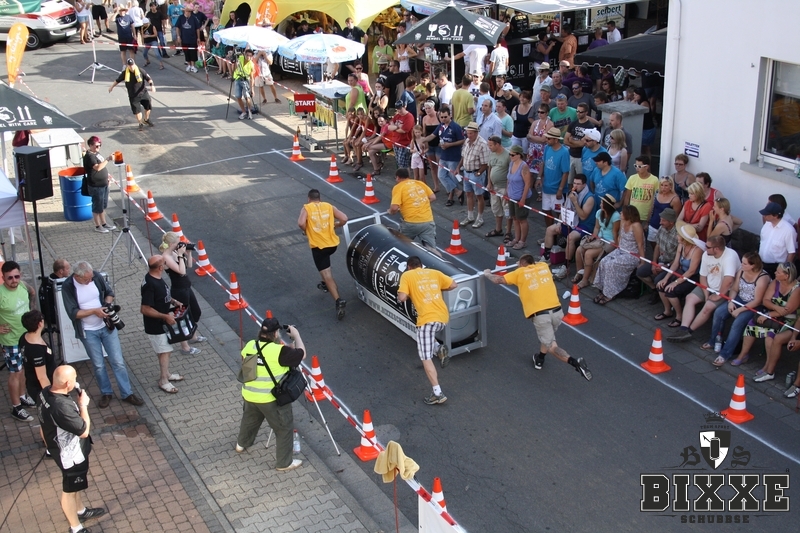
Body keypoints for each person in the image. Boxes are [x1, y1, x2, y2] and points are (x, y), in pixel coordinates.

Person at [484, 254, 592, 380]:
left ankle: (574, 362)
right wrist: (524, 263)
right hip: (557, 312)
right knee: (548, 338)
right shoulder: (544, 266)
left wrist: (487, 273)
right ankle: (540, 359)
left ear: (522, 264)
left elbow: (498, 280)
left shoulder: (519, 273)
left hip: (541, 316)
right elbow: (533, 262)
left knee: (552, 346)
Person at [61, 261, 144, 408]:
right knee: (98, 365)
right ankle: (106, 393)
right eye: (87, 279)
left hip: (106, 326)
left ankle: (127, 393)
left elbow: (109, 293)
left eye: (91, 278)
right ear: (77, 276)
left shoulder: (96, 276)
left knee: (118, 361)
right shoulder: (68, 286)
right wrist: (94, 311)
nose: (90, 280)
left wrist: (106, 304)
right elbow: (73, 313)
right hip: (87, 331)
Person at [40, 365, 106, 533]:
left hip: (62, 450)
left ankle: (80, 510)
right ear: (67, 383)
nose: (76, 382)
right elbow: (84, 431)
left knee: (76, 486)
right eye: (74, 379)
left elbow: (42, 424)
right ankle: (76, 527)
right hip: (70, 455)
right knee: (69, 490)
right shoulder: (61, 407)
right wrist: (83, 406)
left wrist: (49, 446)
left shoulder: (45, 392)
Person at [235, 317, 305, 471]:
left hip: (249, 394)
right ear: (275, 333)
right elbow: (301, 354)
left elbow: (262, 357)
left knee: (250, 420)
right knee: (284, 428)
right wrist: (297, 336)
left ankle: (241, 444)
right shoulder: (279, 351)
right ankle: (284, 463)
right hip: (270, 399)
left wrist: (288, 348)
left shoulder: (250, 345)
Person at [397, 256, 457, 405]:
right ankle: (438, 348)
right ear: (421, 265)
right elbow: (453, 285)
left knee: (425, 357)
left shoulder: (407, 275)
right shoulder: (434, 272)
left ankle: (437, 393)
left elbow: (402, 297)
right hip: (442, 318)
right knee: (427, 336)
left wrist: (403, 295)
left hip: (426, 320)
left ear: (409, 267)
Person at [665, 235, 741, 342]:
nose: (705, 248)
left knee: (707, 307)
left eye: (708, 247)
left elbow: (728, 281)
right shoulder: (706, 254)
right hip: (709, 285)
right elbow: (703, 276)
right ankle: (683, 328)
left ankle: (689, 331)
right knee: (690, 298)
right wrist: (706, 294)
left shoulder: (730, 257)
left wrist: (718, 296)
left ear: (716, 249)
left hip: (725, 289)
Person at [731, 262, 800, 371]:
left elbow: (788, 311)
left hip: (788, 320)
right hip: (772, 314)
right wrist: (776, 308)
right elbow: (765, 300)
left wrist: (769, 314)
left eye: (778, 272)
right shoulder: (775, 282)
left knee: (770, 336)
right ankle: (743, 355)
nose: (775, 273)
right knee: (751, 325)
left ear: (786, 276)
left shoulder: (797, 289)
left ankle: (768, 365)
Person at [709, 252, 770, 366]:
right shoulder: (741, 271)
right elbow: (734, 289)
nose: (741, 265)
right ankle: (713, 341)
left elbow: (757, 301)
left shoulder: (762, 278)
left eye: (744, 263)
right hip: (739, 299)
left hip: (753, 305)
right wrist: (730, 301)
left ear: (753, 265)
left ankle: (724, 354)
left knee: (737, 323)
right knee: (719, 313)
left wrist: (739, 310)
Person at [298, 190, 348, 320]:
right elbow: (344, 218)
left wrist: (306, 230)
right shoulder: (329, 206)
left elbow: (301, 223)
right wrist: (336, 225)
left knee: (327, 274)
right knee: (323, 266)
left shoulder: (306, 208)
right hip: (332, 245)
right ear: (319, 198)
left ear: (308, 198)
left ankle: (338, 300)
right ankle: (325, 284)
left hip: (319, 247)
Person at [140, 255, 183, 394]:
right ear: (160, 267)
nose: (166, 265)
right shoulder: (150, 284)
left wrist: (173, 301)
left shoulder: (156, 278)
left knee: (165, 350)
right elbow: (145, 309)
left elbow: (162, 295)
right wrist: (165, 316)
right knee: (165, 351)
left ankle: (167, 374)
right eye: (164, 263)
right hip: (155, 326)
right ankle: (163, 380)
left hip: (162, 323)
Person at [1, 261, 37, 422]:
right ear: (3, 278)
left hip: (25, 337)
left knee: (22, 369)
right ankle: (16, 407)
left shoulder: (22, 285)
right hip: (11, 341)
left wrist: (32, 312)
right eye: (10, 278)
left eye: (17, 276)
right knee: (15, 372)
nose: (14, 280)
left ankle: (22, 396)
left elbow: (32, 292)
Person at [159, 233, 206, 352]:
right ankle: (185, 347)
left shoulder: (174, 253)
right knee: (182, 318)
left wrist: (188, 253)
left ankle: (193, 336)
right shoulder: (166, 257)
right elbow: (181, 272)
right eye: (177, 243)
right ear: (171, 244)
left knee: (195, 312)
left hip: (186, 287)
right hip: (178, 290)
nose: (180, 244)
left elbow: (188, 266)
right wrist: (180, 255)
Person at [592, 205, 646, 305]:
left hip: (632, 254)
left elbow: (640, 245)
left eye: (622, 212)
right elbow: (620, 237)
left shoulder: (636, 226)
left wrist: (642, 261)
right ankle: (604, 289)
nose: (620, 213)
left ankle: (610, 293)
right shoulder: (623, 222)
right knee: (603, 261)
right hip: (621, 250)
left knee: (611, 265)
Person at [654, 224, 705, 327]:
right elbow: (675, 264)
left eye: (679, 235)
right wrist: (666, 278)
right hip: (681, 272)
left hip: (692, 277)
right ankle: (667, 311)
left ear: (684, 238)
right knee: (661, 285)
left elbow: (691, 271)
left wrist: (675, 282)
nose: (677, 236)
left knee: (671, 291)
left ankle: (679, 316)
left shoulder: (697, 250)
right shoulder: (681, 245)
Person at [541, 173, 595, 264]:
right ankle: (546, 256)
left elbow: (583, 216)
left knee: (571, 237)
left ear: (584, 185)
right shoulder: (571, 193)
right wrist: (559, 222)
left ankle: (566, 265)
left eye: (578, 184)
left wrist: (575, 202)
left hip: (584, 225)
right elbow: (564, 209)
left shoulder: (589, 198)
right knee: (550, 229)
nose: (575, 186)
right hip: (571, 221)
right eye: (574, 183)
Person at [388, 168, 438, 254]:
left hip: (411, 222)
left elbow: (394, 208)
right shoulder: (419, 183)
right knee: (432, 251)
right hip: (428, 221)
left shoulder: (398, 187)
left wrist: (390, 212)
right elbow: (433, 197)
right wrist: (420, 202)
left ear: (398, 177)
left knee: (402, 246)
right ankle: (439, 261)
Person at [421, 107, 464, 206]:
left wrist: (450, 145)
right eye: (441, 117)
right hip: (443, 156)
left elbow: (462, 140)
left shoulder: (456, 127)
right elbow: (432, 136)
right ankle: (458, 191)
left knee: (452, 177)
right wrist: (423, 140)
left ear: (450, 116)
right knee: (441, 175)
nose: (443, 119)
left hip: (453, 157)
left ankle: (451, 197)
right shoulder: (441, 126)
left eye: (445, 117)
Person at [575, 194, 620, 288]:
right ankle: (579, 272)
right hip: (599, 239)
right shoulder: (599, 212)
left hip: (609, 241)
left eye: (602, 203)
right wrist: (593, 236)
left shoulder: (616, 216)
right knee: (579, 250)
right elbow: (596, 227)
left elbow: (615, 232)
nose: (600, 204)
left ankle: (585, 280)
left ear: (607, 205)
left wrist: (617, 245)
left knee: (588, 254)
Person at [637, 207, 679, 299]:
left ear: (671, 222)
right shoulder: (661, 228)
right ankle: (654, 289)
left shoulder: (678, 235)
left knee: (658, 280)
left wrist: (667, 265)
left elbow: (679, 257)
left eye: (663, 220)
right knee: (640, 272)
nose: (660, 222)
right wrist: (654, 262)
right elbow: (657, 246)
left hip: (671, 265)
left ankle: (661, 292)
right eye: (661, 219)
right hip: (661, 260)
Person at [455, 122, 490, 228]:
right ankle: (470, 216)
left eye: (470, 133)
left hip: (476, 173)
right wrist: (458, 167)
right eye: (467, 133)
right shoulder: (467, 141)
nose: (468, 135)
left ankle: (480, 218)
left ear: (476, 133)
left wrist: (478, 173)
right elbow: (463, 156)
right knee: (468, 194)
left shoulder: (483, 144)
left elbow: (486, 163)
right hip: (466, 172)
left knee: (479, 196)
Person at [20, 310, 55, 410]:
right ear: (40, 324)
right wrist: (51, 396)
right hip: (40, 389)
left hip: (32, 383)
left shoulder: (24, 337)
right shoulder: (36, 350)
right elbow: (42, 377)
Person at [81, 136, 117, 233]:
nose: (98, 147)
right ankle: (97, 226)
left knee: (102, 205)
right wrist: (108, 159)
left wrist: (107, 177)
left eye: (100, 145)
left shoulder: (96, 153)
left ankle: (104, 223)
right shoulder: (89, 156)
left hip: (103, 184)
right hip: (96, 186)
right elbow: (97, 167)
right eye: (96, 146)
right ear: (90, 145)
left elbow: (102, 166)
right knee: (97, 206)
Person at [109, 59, 156, 131]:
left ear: (134, 64)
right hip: (133, 95)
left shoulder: (140, 71)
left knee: (148, 107)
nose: (131, 67)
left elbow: (149, 79)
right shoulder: (125, 73)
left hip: (143, 92)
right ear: (128, 65)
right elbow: (117, 80)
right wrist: (111, 87)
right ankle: (140, 123)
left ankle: (146, 119)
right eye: (130, 65)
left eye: (132, 65)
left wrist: (152, 86)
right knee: (137, 111)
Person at [539, 127, 570, 228]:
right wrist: (539, 177)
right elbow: (543, 163)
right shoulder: (547, 148)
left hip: (556, 190)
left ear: (556, 140)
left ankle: (562, 232)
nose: (546, 140)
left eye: (549, 138)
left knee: (559, 213)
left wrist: (560, 189)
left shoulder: (564, 152)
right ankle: (550, 231)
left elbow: (565, 172)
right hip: (546, 188)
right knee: (546, 211)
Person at [758, 201, 797, 277]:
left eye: (767, 214)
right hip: (760, 263)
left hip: (775, 268)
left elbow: (791, 253)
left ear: (775, 215)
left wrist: (785, 270)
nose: (764, 216)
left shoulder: (788, 230)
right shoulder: (766, 225)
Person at [506, 145, 534, 249]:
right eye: (510, 154)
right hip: (512, 196)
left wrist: (523, 199)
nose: (510, 156)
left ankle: (522, 241)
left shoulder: (523, 166)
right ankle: (516, 238)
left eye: (512, 155)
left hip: (520, 197)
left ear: (519, 155)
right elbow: (508, 180)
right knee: (514, 218)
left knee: (522, 219)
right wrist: (507, 192)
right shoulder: (511, 163)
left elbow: (527, 184)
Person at [485, 136, 511, 240]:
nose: (489, 147)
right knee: (496, 209)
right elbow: (490, 169)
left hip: (504, 187)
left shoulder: (508, 155)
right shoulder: (492, 154)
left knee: (507, 210)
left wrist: (508, 189)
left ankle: (508, 232)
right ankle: (498, 229)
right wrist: (489, 183)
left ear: (498, 144)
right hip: (494, 188)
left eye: (491, 145)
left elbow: (511, 173)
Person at [623, 155, 659, 228]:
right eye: (635, 166)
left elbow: (656, 198)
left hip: (646, 216)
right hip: (632, 215)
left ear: (646, 167)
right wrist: (625, 211)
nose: (637, 168)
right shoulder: (632, 178)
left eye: (639, 166)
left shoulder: (654, 180)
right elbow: (627, 197)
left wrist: (649, 219)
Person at [39, 259, 71, 331]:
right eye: (67, 268)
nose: (69, 270)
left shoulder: (49, 279)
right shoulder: (59, 284)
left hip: (45, 314)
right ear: (61, 271)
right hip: (54, 317)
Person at [175, 4, 202, 72]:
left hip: (193, 38)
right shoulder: (181, 18)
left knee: (193, 52)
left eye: (190, 11)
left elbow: (197, 28)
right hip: (184, 38)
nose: (188, 13)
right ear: (185, 11)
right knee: (186, 52)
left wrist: (198, 38)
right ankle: (189, 65)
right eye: (187, 11)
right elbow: (177, 27)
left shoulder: (194, 18)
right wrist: (178, 36)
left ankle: (193, 66)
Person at [232, 49, 255, 120]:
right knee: (238, 96)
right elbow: (234, 62)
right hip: (237, 79)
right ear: (245, 55)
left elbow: (252, 78)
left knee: (247, 97)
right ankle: (244, 112)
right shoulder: (240, 58)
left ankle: (249, 111)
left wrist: (252, 89)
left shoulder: (251, 64)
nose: (248, 57)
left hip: (245, 81)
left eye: (250, 56)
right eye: (247, 55)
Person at [633, 88, 655, 158]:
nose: (634, 96)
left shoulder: (644, 103)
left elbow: (636, 111)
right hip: (643, 128)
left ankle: (649, 163)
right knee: (643, 148)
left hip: (648, 129)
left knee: (646, 148)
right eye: (634, 95)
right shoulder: (638, 101)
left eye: (636, 95)